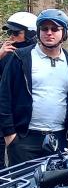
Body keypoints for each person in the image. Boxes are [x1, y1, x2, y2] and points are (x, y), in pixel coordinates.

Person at [0, 9, 68, 164]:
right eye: (44, 29)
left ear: (64, 33)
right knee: (23, 186)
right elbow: (4, 96)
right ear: (38, 31)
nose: (49, 33)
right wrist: (10, 135)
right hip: (24, 138)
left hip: (58, 138)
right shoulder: (20, 57)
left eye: (55, 29)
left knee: (57, 186)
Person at [0, 12, 37, 168]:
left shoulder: (39, 56)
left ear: (31, 34)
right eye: (9, 32)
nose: (11, 37)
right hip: (5, 122)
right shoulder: (6, 53)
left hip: (27, 127)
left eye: (16, 33)